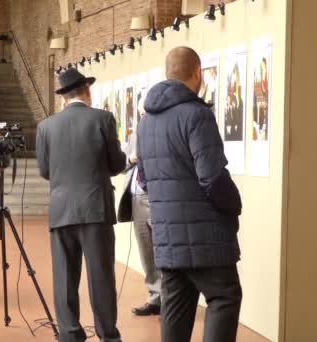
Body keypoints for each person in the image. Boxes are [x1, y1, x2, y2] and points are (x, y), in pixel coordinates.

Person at [137, 47, 243, 342]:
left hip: (167, 236)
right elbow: (211, 177)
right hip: (206, 236)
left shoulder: (146, 123)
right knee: (224, 297)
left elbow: (144, 180)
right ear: (198, 72)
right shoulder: (198, 115)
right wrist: (234, 205)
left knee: (176, 307)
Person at [36, 68, 126, 342]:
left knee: (64, 277)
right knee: (100, 276)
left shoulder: (46, 126)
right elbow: (116, 164)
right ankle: (108, 335)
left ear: (64, 96)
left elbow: (44, 169)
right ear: (87, 90)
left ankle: (69, 334)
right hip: (95, 209)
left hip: (61, 209)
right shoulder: (103, 119)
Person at [117, 94, 161, 317]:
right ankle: (155, 298)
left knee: (163, 252)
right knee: (147, 253)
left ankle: (170, 300)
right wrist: (131, 159)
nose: (143, 116)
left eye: (147, 112)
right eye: (141, 113)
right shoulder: (136, 134)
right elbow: (122, 164)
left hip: (155, 199)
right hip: (135, 199)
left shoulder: (163, 133)